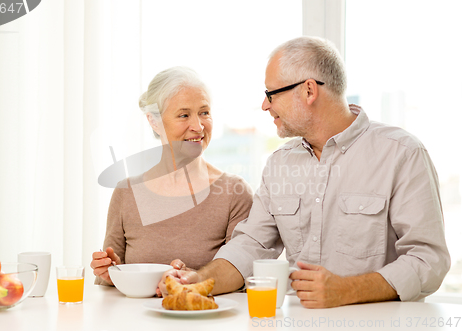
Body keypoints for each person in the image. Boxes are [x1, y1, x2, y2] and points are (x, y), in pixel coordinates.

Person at [159, 37, 451, 308]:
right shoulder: (279, 164)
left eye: (271, 93)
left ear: (309, 90)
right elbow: (251, 246)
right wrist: (200, 281)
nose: (264, 105)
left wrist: (349, 290)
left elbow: (429, 259)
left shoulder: (402, 153)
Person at [91, 67, 253, 288]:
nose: (198, 126)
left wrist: (191, 279)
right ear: (154, 122)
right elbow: (107, 282)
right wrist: (111, 274)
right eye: (184, 115)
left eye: (204, 112)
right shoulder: (126, 192)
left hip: (206, 319)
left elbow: (242, 276)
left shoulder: (235, 192)